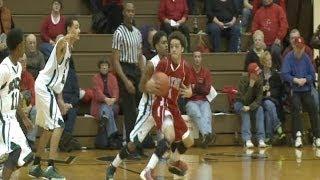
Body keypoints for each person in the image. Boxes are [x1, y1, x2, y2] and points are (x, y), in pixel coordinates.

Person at [106, 31, 177, 179]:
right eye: (163, 43)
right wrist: (150, 87)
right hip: (149, 108)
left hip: (163, 106)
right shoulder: (152, 64)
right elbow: (140, 87)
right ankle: (113, 166)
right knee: (133, 145)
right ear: (156, 46)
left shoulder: (171, 63)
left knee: (170, 136)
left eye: (167, 43)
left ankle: (147, 170)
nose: (166, 46)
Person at [28, 17, 80, 179]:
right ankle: (50, 167)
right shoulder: (63, 44)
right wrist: (64, 39)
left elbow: (59, 77)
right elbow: (60, 44)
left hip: (47, 88)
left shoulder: (68, 47)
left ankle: (36, 165)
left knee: (49, 129)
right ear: (69, 29)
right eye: (76, 27)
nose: (79, 31)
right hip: (44, 88)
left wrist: (61, 100)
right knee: (59, 124)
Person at [140, 31, 194, 179]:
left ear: (182, 49)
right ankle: (147, 170)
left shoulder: (186, 68)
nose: (174, 49)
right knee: (169, 135)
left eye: (177, 46)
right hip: (161, 104)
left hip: (174, 106)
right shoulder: (164, 64)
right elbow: (150, 83)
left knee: (189, 140)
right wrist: (150, 84)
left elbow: (188, 88)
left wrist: (189, 92)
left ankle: (174, 161)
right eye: (171, 46)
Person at [0, 28, 33, 180]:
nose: (25, 47)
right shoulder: (4, 69)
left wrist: (24, 118)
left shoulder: (18, 67)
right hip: (2, 118)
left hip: (12, 118)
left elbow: (14, 95)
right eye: (24, 44)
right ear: (19, 46)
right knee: (14, 152)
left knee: (26, 157)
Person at [111, 2, 144, 142]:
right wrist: (125, 80)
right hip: (124, 70)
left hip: (136, 70)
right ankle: (130, 145)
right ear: (123, 12)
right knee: (130, 111)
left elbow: (140, 57)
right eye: (128, 11)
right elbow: (115, 61)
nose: (131, 13)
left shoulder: (137, 33)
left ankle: (139, 142)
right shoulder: (118, 33)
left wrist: (143, 76)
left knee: (142, 108)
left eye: (132, 11)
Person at [281, 37, 320, 148]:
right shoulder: (288, 58)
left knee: (313, 107)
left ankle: (317, 136)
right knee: (296, 107)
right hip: (295, 90)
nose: (299, 50)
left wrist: (305, 79)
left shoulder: (306, 58)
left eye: (301, 48)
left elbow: (312, 74)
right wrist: (295, 80)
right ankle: (297, 135)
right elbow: (285, 74)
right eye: (298, 48)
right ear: (294, 46)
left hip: (306, 89)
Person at [185, 51, 215, 148]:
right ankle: (208, 135)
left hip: (204, 101)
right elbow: (187, 90)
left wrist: (194, 87)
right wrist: (199, 87)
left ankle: (206, 137)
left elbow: (207, 90)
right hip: (191, 101)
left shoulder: (206, 72)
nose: (197, 59)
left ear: (201, 58)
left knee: (207, 115)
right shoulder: (188, 71)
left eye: (199, 57)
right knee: (196, 113)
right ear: (193, 59)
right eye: (195, 57)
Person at [234, 63, 267, 148]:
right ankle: (247, 139)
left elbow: (259, 99)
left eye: (259, 73)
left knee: (260, 109)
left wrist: (250, 107)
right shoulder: (243, 80)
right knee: (244, 111)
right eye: (257, 74)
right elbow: (244, 100)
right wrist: (250, 87)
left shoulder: (260, 81)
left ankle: (261, 139)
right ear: (251, 74)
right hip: (240, 103)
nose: (259, 75)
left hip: (252, 104)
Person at [90, 59, 121, 149]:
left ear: (108, 67)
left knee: (107, 110)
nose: (104, 67)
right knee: (106, 109)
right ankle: (113, 137)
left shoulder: (113, 77)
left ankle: (110, 135)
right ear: (99, 68)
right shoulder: (95, 78)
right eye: (102, 66)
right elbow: (97, 92)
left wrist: (113, 99)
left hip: (113, 104)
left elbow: (116, 90)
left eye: (106, 66)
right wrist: (105, 99)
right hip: (99, 106)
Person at [252, 0, 288, 70]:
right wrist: (260, 41)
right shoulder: (258, 12)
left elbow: (284, 25)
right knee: (253, 50)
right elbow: (254, 29)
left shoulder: (278, 9)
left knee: (275, 51)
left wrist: (279, 38)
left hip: (276, 42)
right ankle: (259, 72)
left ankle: (281, 71)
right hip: (262, 43)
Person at [260, 51, 285, 144]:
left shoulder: (275, 74)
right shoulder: (259, 75)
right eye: (267, 60)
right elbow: (255, 91)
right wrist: (263, 90)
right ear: (263, 62)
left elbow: (279, 90)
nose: (269, 62)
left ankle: (268, 137)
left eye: (270, 59)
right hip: (262, 100)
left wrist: (271, 93)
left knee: (268, 110)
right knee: (267, 104)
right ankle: (278, 127)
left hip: (274, 100)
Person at [19, 53, 38, 149]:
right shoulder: (11, 75)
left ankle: (30, 140)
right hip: (16, 107)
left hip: (27, 106)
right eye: (22, 61)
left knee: (36, 110)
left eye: (25, 61)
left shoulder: (29, 76)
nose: (25, 64)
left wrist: (30, 107)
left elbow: (34, 93)